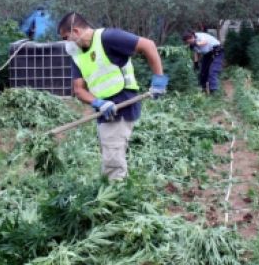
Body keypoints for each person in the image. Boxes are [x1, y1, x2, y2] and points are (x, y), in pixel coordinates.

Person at [58, 12, 168, 180]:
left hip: (123, 102)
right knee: (111, 151)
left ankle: (116, 197)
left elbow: (148, 45)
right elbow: (79, 89)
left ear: (77, 31)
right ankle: (116, 187)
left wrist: (159, 79)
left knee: (112, 158)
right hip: (105, 109)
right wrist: (97, 102)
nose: (66, 43)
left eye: (66, 37)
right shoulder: (78, 56)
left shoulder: (108, 37)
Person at [182, 30, 223, 94]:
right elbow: (196, 52)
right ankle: (203, 89)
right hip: (207, 54)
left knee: (212, 71)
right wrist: (196, 63)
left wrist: (196, 43)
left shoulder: (199, 36)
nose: (190, 42)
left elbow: (205, 42)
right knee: (203, 72)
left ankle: (214, 92)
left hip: (217, 51)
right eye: (188, 42)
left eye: (190, 40)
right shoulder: (192, 44)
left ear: (193, 36)